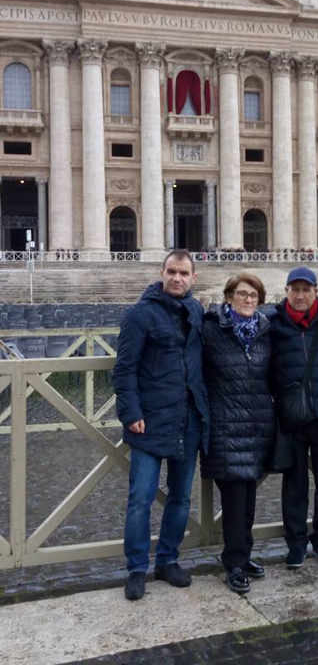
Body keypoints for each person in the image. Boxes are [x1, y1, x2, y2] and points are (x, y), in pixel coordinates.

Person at [113, 249, 208, 601]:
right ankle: (137, 568)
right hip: (149, 420)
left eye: (183, 273)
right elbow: (124, 369)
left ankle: (168, 560)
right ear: (162, 273)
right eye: (172, 272)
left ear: (193, 277)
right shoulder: (139, 314)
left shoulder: (197, 311)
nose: (177, 278)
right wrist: (130, 413)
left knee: (181, 498)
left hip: (188, 419)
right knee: (140, 498)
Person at [201, 273, 275, 594]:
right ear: (229, 296)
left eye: (253, 295)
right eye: (242, 294)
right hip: (225, 426)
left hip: (256, 425)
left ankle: (243, 555)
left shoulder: (264, 331)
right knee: (233, 500)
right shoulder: (211, 330)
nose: (248, 299)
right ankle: (233, 562)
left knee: (248, 499)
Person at [269, 267, 318, 568]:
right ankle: (296, 544)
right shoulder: (273, 323)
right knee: (294, 485)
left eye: (305, 290)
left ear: (315, 291)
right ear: (286, 291)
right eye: (294, 289)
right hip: (291, 416)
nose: (300, 295)